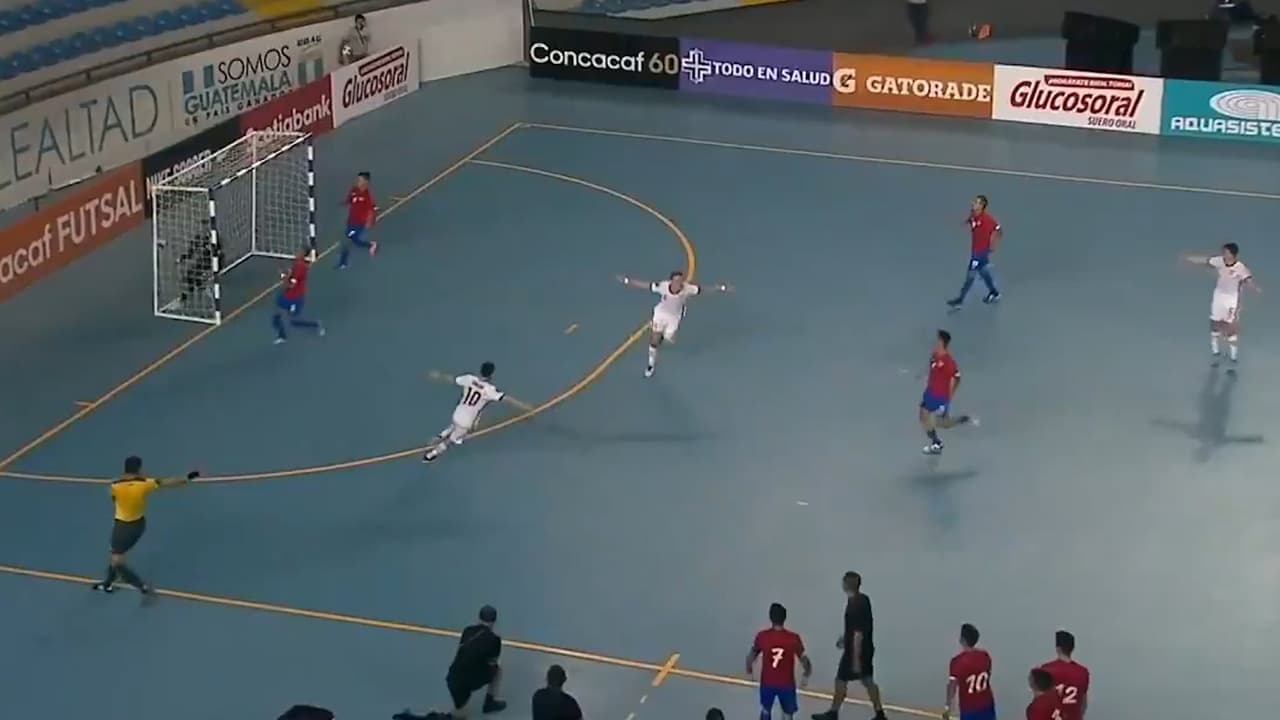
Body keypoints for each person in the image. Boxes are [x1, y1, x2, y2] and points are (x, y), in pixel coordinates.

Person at [91, 456, 198, 595]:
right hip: (139, 525)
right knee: (115, 557)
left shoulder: (115, 485)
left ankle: (141, 586)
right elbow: (168, 482)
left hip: (123, 527)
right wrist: (187, 478)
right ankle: (107, 584)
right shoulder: (145, 484)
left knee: (117, 561)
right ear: (139, 469)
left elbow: (113, 500)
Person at [616, 270, 732, 378]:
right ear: (671, 281)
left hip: (674, 318)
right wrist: (627, 281)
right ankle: (651, 364)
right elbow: (645, 285)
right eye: (676, 280)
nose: (679, 283)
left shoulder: (688, 289)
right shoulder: (662, 286)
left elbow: (702, 290)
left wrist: (720, 288)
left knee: (669, 339)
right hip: (661, 315)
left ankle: (662, 335)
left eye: (681, 280)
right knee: (654, 340)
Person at [813, 572, 886, 720]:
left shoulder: (854, 605)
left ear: (846, 584)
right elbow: (860, 627)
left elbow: (858, 633)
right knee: (867, 680)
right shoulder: (864, 599)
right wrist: (845, 639)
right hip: (865, 648)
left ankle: (834, 713)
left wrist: (856, 659)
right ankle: (879, 713)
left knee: (841, 680)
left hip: (855, 651)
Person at [1184, 243, 1257, 369]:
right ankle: (1215, 351)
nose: (1224, 254)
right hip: (1218, 297)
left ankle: (1233, 356)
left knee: (1230, 328)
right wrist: (1190, 259)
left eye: (1227, 253)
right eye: (1223, 252)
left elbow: (1248, 281)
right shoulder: (1219, 261)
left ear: (1233, 255)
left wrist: (1255, 289)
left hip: (1231, 300)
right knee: (1214, 323)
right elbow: (1205, 261)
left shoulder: (1241, 268)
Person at [423, 362, 509, 463]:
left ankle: (441, 435)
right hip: (466, 422)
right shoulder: (489, 389)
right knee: (450, 441)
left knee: (455, 424)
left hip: (457, 412)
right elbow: (504, 398)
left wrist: (438, 375)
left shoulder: (469, 379)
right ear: (491, 373)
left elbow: (452, 379)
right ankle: (430, 455)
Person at [748, 602, 812, 720]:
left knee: (765, 710)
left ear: (770, 617)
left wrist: (749, 669)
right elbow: (805, 660)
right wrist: (807, 673)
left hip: (768, 682)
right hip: (786, 684)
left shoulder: (762, 637)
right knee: (788, 714)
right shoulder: (793, 638)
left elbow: (752, 655)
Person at [920, 330, 976, 455]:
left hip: (940, 397)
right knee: (924, 418)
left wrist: (950, 395)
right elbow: (932, 368)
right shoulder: (934, 355)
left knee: (942, 423)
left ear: (942, 342)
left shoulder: (949, 362)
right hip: (930, 393)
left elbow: (957, 377)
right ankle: (936, 443)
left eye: (937, 340)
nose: (935, 342)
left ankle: (962, 419)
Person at [948, 195, 1002, 309]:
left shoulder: (987, 219)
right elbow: (971, 219)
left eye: (976, 202)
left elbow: (999, 230)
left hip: (979, 253)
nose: (973, 203)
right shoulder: (974, 215)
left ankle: (960, 300)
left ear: (981, 206)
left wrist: (993, 245)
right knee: (984, 272)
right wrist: (965, 222)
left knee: (970, 276)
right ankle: (994, 293)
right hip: (977, 251)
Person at [944, 623, 996, 720]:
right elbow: (988, 674)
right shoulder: (985, 656)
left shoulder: (957, 662)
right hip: (987, 703)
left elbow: (952, 687)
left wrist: (948, 707)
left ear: (962, 640)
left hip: (969, 708)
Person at [273, 250, 325, 344]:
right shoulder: (298, 263)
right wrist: (286, 273)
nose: (296, 253)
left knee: (294, 321)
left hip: (295, 298)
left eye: (299, 251)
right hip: (286, 295)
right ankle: (282, 335)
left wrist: (283, 276)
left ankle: (316, 324)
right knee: (277, 315)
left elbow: (290, 285)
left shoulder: (300, 267)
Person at [1039, 631, 1089, 720]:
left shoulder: (1047, 669)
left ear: (1058, 648)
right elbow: (1083, 703)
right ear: (1072, 648)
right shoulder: (1083, 672)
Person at [338, 171, 377, 269]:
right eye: (358, 180)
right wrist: (345, 202)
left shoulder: (367, 196)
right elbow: (350, 199)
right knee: (355, 240)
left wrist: (369, 222)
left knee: (346, 240)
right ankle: (371, 245)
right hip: (350, 221)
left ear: (366, 182)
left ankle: (343, 263)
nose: (358, 182)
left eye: (360, 180)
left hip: (360, 223)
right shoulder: (354, 190)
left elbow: (371, 210)